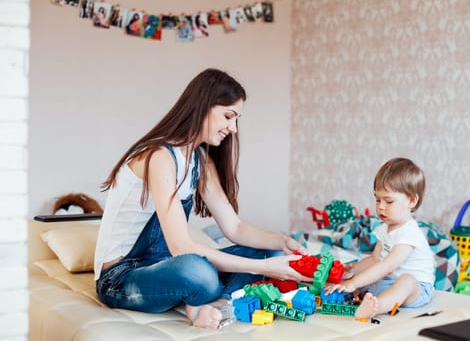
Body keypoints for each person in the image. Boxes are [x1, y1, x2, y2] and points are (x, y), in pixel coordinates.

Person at [94, 68, 311, 329]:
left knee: (270, 252)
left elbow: (235, 228)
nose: (233, 128)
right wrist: (264, 269)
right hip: (122, 277)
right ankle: (205, 297)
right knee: (198, 273)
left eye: (237, 119)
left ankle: (213, 302)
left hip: (167, 266)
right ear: (203, 107)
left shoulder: (200, 160)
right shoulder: (159, 157)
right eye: (228, 116)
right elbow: (181, 248)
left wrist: (282, 241)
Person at [325, 157, 435, 319]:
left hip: (417, 289)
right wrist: (354, 271)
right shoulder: (384, 228)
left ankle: (377, 307)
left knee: (406, 280)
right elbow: (375, 259)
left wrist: (354, 283)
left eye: (389, 201)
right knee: (365, 279)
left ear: (412, 200)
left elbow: (387, 266)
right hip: (388, 281)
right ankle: (349, 296)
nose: (381, 207)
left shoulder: (410, 232)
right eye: (378, 200)